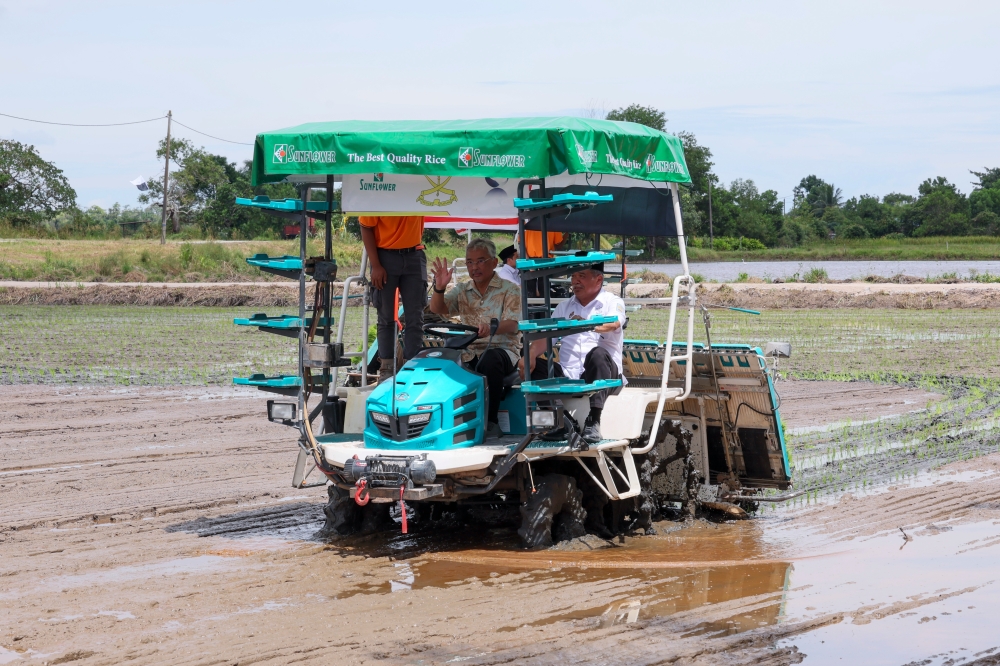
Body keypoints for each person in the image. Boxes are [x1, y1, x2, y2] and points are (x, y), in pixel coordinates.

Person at [519, 264, 625, 443]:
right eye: (573, 276)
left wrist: (586, 324)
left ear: (598, 279)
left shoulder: (612, 302)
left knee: (597, 354)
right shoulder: (564, 306)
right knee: (531, 367)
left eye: (581, 276)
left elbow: (614, 323)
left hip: (604, 373)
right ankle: (563, 422)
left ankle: (594, 420)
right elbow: (547, 339)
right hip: (570, 373)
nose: (575, 281)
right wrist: (528, 355)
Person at [430, 239, 521, 439]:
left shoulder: (510, 289)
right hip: (468, 349)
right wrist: (439, 288)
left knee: (490, 359)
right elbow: (438, 309)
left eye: (480, 261)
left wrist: (491, 328)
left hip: (503, 349)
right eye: (469, 262)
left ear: (494, 262)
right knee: (437, 360)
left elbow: (513, 323)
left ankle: (491, 421)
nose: (474, 267)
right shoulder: (462, 290)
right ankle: (439, 423)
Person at [358, 215, 426, 382]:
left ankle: (412, 368)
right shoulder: (380, 192)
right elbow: (365, 227)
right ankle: (387, 370)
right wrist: (376, 265)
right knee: (386, 317)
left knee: (415, 317)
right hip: (384, 256)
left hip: (414, 254)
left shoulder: (418, 190)